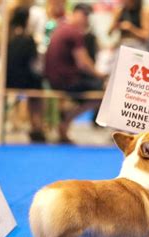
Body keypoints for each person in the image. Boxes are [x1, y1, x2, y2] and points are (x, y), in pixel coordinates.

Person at [44, 3, 105, 143]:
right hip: (66, 80)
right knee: (100, 95)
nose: (87, 20)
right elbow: (83, 62)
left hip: (55, 79)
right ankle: (66, 122)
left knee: (93, 89)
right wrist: (99, 74)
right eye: (86, 16)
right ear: (77, 14)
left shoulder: (62, 27)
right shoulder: (74, 32)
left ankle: (65, 120)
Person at [7, 6, 45, 142]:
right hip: (22, 80)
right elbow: (33, 62)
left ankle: (33, 125)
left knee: (35, 83)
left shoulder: (8, 37)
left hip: (8, 79)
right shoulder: (28, 39)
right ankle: (37, 125)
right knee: (38, 86)